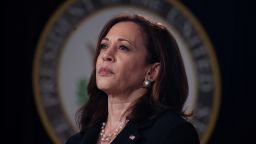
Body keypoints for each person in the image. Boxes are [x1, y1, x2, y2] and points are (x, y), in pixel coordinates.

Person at [66, 14, 200, 144]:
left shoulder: (173, 133)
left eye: (123, 47)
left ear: (152, 72)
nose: (106, 55)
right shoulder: (75, 141)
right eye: (104, 46)